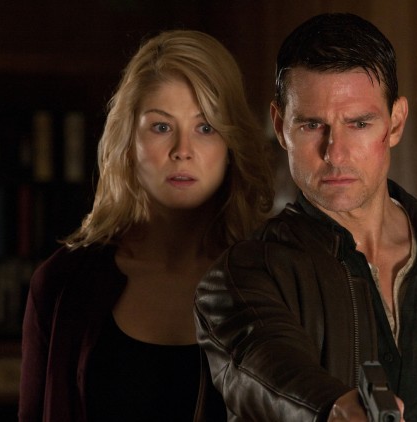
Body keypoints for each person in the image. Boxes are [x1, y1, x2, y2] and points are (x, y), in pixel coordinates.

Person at [194, 13, 417, 421]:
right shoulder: (242, 276)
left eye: (359, 123)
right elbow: (268, 368)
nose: (335, 152)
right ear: (281, 127)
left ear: (395, 123)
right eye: (312, 125)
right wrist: (334, 408)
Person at [19, 29, 274, 421]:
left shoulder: (274, 280)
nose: (182, 151)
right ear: (127, 141)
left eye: (206, 127)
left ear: (231, 144)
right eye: (161, 127)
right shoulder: (63, 284)